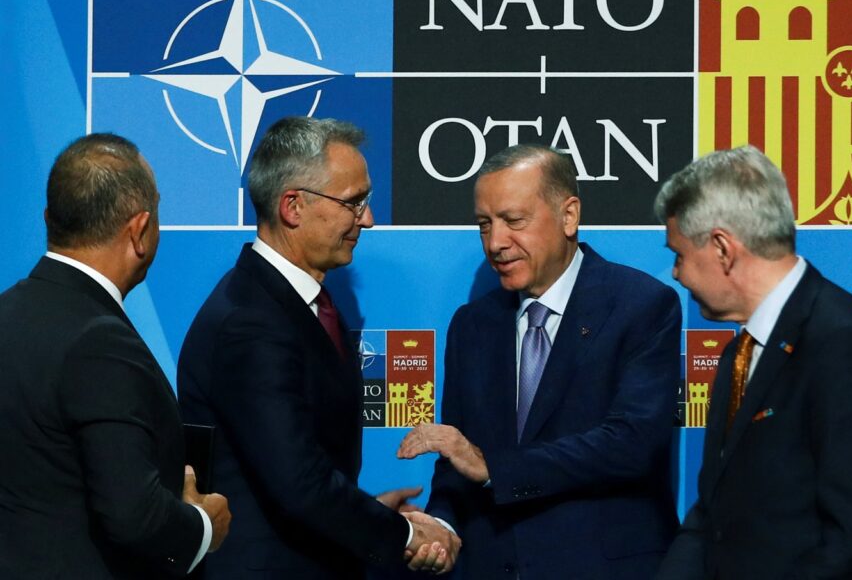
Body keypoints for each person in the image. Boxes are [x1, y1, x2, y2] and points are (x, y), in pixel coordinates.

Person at [177, 116, 458, 579]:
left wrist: (369, 515)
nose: (366, 218)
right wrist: (405, 535)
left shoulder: (296, 304)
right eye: (354, 202)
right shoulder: (250, 322)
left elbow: (291, 468)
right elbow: (298, 484)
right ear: (293, 206)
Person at [397, 144, 681, 579]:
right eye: (484, 225)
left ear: (569, 215)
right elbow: (459, 461)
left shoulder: (641, 306)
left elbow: (631, 444)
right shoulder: (472, 325)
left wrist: (494, 467)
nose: (495, 242)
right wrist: (441, 526)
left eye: (514, 221)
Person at [654, 145, 852, 580]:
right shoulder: (739, 354)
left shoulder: (848, 345)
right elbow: (712, 516)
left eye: (679, 255)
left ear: (722, 249)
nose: (676, 274)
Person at [0, 134, 230, 579]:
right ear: (140, 231)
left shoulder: (7, 313)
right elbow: (132, 515)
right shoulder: (99, 341)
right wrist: (205, 526)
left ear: (50, 219)